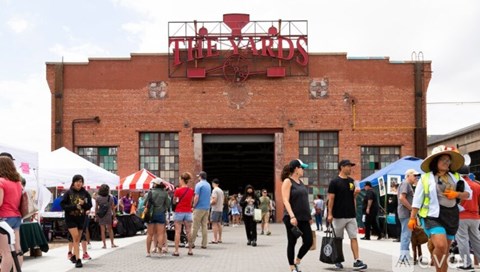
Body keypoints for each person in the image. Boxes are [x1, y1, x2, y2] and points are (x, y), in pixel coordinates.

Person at [409, 145, 472, 272]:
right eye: (443, 159)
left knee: (445, 250)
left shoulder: (456, 177)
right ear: (435, 161)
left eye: (448, 160)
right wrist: (412, 217)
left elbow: (468, 194)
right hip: (432, 216)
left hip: (451, 216)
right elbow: (417, 199)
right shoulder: (425, 178)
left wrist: (457, 194)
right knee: (441, 245)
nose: (446, 162)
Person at [327, 159, 367, 270]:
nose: (350, 168)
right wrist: (330, 214)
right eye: (349, 166)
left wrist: (355, 194)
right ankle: (337, 259)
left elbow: (351, 198)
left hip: (351, 215)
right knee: (338, 239)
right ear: (342, 167)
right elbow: (331, 199)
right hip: (338, 215)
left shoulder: (351, 181)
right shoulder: (334, 182)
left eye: (351, 166)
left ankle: (357, 260)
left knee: (354, 237)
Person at [281, 160, 313, 272]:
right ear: (296, 169)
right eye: (302, 168)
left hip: (304, 218)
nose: (303, 170)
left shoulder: (301, 182)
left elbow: (304, 201)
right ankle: (292, 267)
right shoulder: (287, 181)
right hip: (292, 218)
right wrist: (292, 216)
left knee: (309, 241)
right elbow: (285, 200)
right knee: (292, 242)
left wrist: (309, 217)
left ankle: (297, 260)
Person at [60, 174, 92, 268]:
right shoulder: (68, 193)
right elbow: (63, 206)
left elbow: (89, 205)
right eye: (77, 181)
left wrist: (84, 203)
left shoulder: (85, 193)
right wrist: (74, 207)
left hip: (81, 219)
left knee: (77, 239)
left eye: (81, 182)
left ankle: (74, 256)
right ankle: (78, 260)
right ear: (73, 182)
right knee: (76, 237)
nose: (79, 183)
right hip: (70, 219)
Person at [0, 156, 23, 272]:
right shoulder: (18, 183)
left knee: (5, 252)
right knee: (17, 249)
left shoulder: (1, 182)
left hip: (3, 219)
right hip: (16, 217)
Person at [456, 165, 480, 270]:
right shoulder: (477, 185)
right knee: (477, 240)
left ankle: (467, 264)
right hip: (475, 217)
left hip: (461, 217)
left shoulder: (457, 185)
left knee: (463, 240)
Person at [397, 169, 419, 260]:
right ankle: (403, 256)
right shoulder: (406, 184)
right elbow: (402, 198)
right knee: (406, 234)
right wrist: (411, 209)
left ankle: (405, 253)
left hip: (404, 212)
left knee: (405, 234)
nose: (416, 177)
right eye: (414, 175)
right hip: (406, 213)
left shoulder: (406, 184)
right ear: (408, 175)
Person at [145, 178, 170, 257]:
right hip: (160, 214)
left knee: (150, 234)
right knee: (160, 234)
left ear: (156, 184)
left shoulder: (150, 192)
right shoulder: (165, 193)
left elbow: (145, 203)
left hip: (151, 215)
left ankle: (148, 252)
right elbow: (168, 204)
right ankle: (160, 252)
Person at [172, 172, 194, 257]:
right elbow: (191, 202)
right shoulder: (191, 190)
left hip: (179, 212)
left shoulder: (178, 190)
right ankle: (190, 250)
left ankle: (176, 251)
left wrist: (177, 201)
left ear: (182, 180)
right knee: (188, 232)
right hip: (188, 212)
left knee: (177, 232)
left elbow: (174, 201)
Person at [190, 171, 211, 249]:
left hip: (199, 208)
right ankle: (204, 244)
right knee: (204, 226)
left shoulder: (199, 185)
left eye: (199, 176)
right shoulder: (208, 185)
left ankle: (191, 243)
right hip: (206, 208)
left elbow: (196, 197)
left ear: (200, 177)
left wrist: (193, 205)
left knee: (195, 226)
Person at [95, 184, 117, 249]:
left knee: (102, 230)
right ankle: (112, 243)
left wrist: (96, 216)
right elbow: (113, 208)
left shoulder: (98, 198)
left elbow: (96, 208)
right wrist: (114, 217)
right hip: (108, 214)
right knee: (110, 230)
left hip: (101, 215)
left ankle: (104, 245)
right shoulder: (110, 198)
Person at [209, 178, 224, 244]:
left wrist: (209, 203)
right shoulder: (221, 191)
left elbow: (214, 201)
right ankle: (220, 238)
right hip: (220, 209)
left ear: (213, 183)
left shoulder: (215, 190)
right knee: (219, 224)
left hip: (215, 209)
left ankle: (215, 239)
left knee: (214, 224)